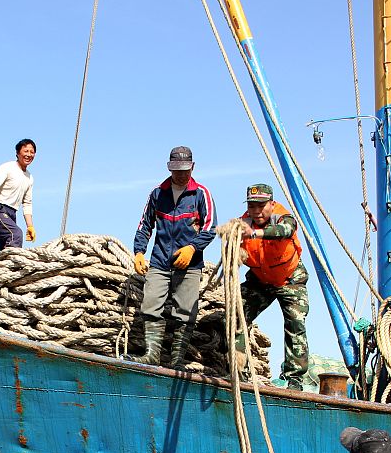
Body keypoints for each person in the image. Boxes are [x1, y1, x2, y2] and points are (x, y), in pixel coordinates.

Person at [126, 146, 217, 368]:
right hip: (160, 261)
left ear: (193, 167)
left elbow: (210, 227)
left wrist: (192, 248)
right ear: (169, 168)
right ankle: (152, 355)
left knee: (185, 311)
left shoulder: (201, 194)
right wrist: (139, 252)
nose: (181, 174)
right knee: (150, 304)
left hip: (190, 264)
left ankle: (177, 361)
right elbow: (145, 226)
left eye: (185, 169)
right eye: (177, 170)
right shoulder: (158, 194)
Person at [236, 183, 309, 389]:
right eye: (252, 206)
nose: (257, 211)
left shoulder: (283, 217)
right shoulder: (242, 224)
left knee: (295, 323)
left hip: (290, 280)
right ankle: (239, 369)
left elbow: (285, 230)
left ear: (272, 203)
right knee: (236, 314)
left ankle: (294, 378)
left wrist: (255, 234)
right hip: (261, 281)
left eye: (261, 206)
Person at [0, 139, 36, 250]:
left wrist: (30, 226)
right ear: (17, 153)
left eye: (32, 152)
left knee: (7, 244)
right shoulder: (7, 167)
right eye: (26, 151)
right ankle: (13, 265)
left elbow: (27, 203)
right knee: (15, 235)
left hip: (12, 213)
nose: (29, 155)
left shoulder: (29, 178)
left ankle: (3, 265)